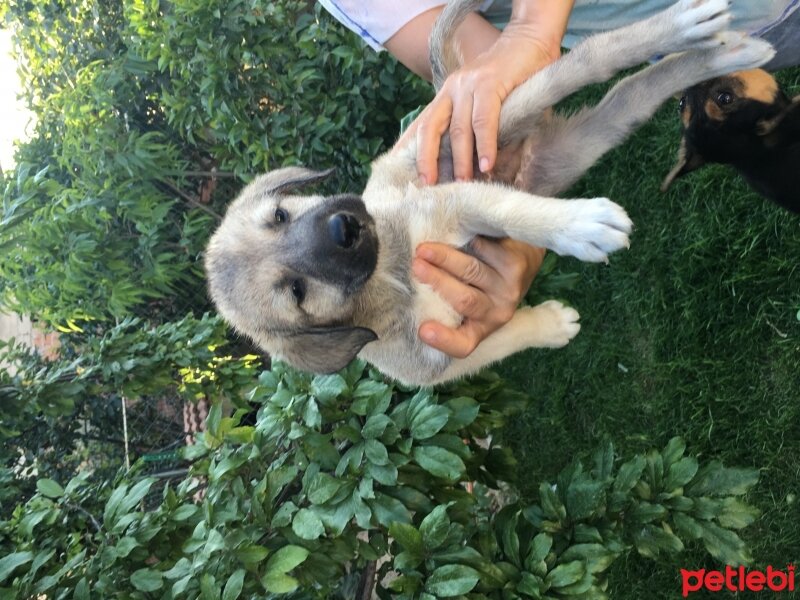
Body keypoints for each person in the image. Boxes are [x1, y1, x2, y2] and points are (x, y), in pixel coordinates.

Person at [318, 0, 799, 359]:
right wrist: (514, 271)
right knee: (606, 121)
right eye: (298, 291)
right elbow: (489, 65)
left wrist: (531, 29)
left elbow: (528, 65)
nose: (325, 234)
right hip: (753, 22)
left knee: (566, 76)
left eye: (280, 216)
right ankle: (692, 62)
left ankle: (667, 35)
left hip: (701, 17)